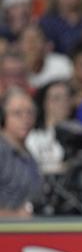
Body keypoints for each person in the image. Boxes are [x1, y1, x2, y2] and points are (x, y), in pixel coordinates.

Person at [0, 87, 42, 217]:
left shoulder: (29, 154)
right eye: (17, 113)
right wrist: (14, 215)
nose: (25, 118)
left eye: (30, 113)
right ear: (3, 116)